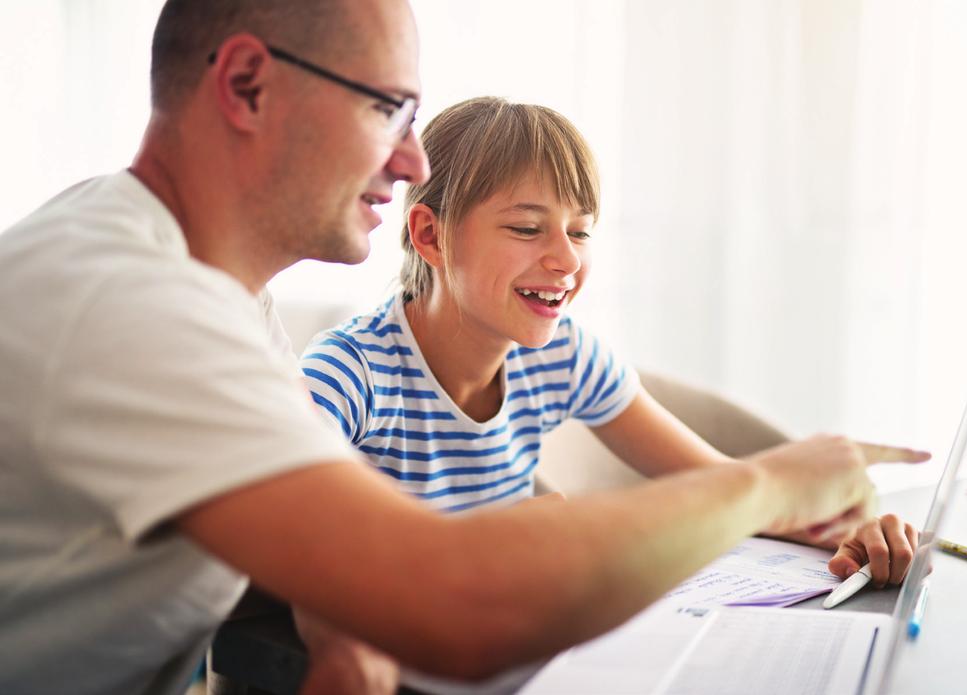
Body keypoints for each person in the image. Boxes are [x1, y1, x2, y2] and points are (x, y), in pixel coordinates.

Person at [0, 1, 921, 694]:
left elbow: (329, 543)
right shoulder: (133, 306)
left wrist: (348, 626)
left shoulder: (212, 295)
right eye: (387, 110)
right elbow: (453, 605)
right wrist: (770, 480)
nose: (411, 163)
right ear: (247, 86)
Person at [300, 95, 924, 587]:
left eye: (581, 231)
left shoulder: (564, 357)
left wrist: (859, 529)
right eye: (526, 227)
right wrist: (490, 544)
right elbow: (286, 540)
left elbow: (726, 488)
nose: (566, 260)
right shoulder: (348, 374)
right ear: (431, 236)